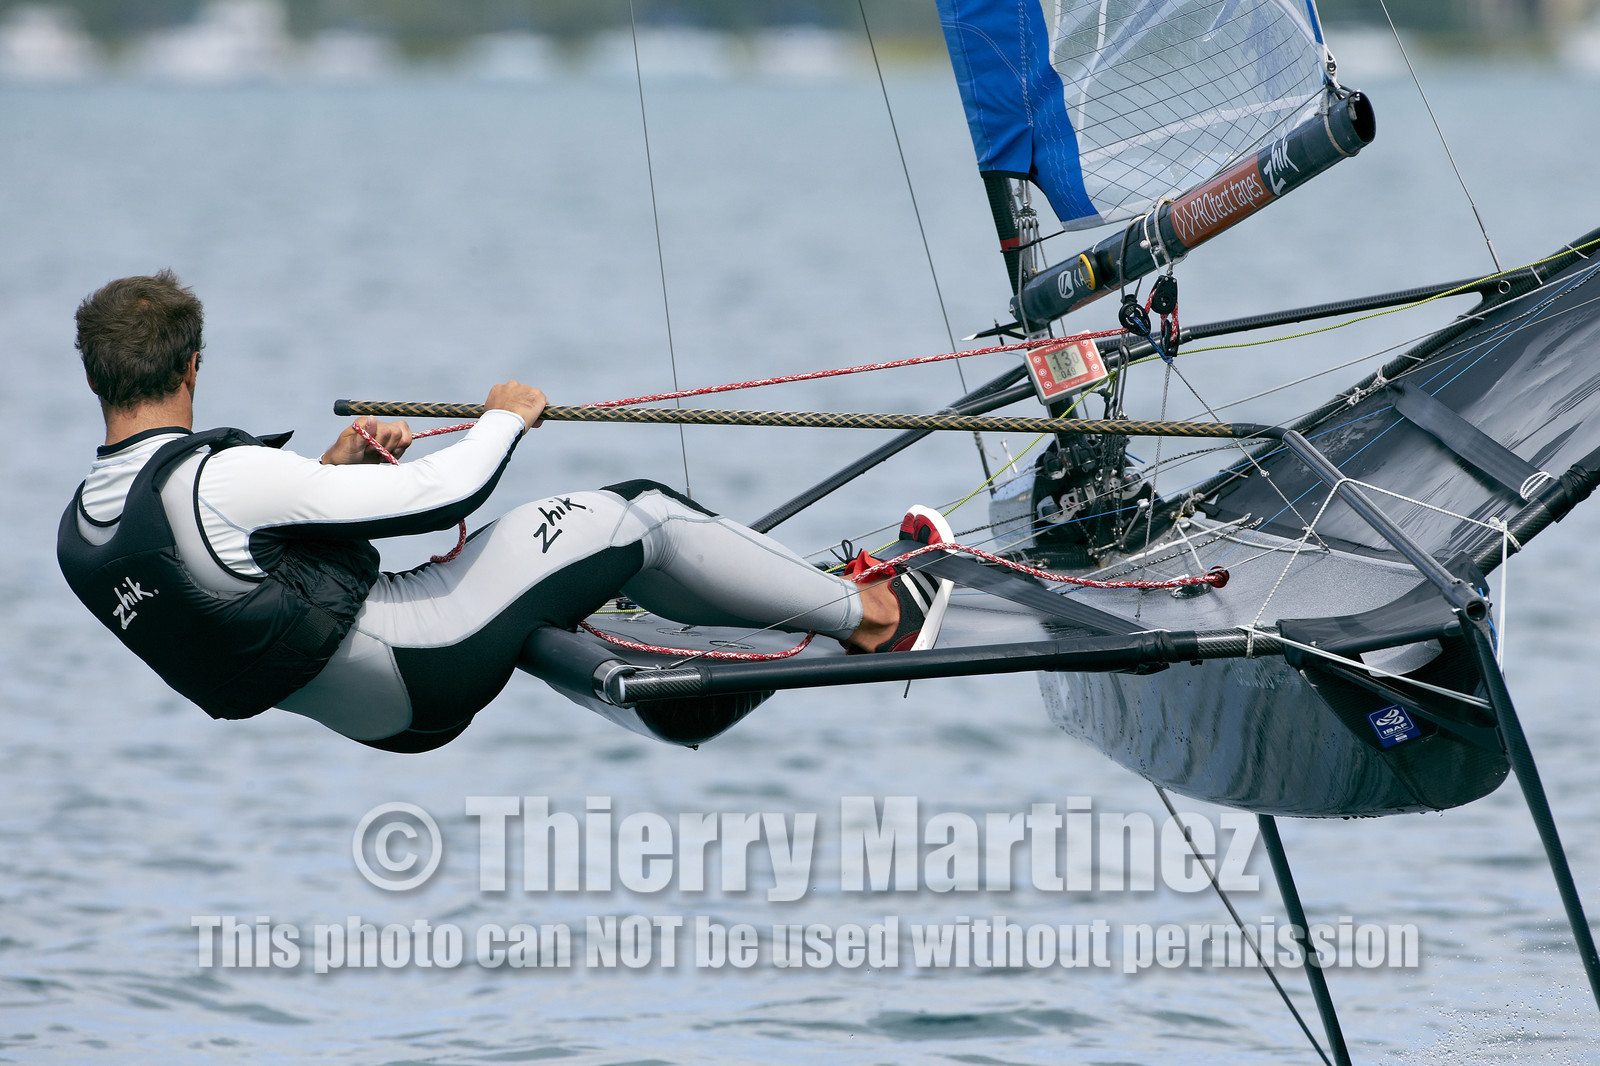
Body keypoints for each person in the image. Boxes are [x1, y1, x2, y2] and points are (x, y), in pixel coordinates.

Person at [58, 271, 953, 752]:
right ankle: (877, 617)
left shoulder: (84, 534)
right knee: (637, 512)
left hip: (372, 717)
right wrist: (503, 417)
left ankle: (714, 657)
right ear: (193, 367)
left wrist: (329, 476)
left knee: (544, 571)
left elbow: (238, 591)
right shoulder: (220, 477)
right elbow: (442, 494)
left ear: (95, 374)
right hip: (425, 662)